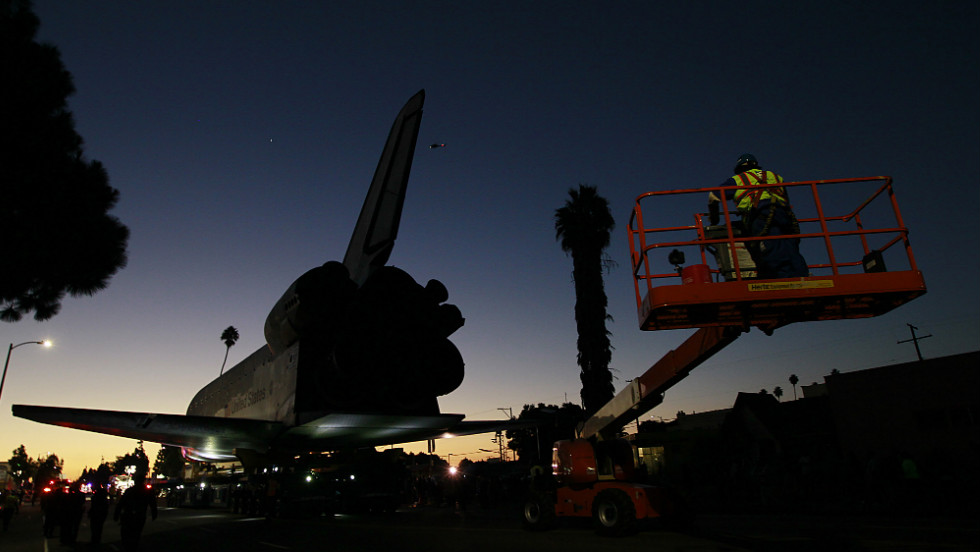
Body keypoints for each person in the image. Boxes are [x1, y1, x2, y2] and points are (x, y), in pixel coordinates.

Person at [709, 153, 808, 278]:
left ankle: (781, 280)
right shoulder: (775, 176)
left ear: (740, 168)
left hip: (761, 216)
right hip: (784, 215)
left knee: (770, 249)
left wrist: (714, 218)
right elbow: (785, 199)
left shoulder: (738, 179)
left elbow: (714, 196)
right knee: (790, 249)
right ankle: (802, 278)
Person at [114, 475, 157, 552]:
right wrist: (154, 514)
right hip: (139, 516)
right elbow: (153, 503)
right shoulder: (147, 491)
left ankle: (128, 548)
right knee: (136, 535)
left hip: (129, 516)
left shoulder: (130, 491)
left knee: (126, 535)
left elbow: (121, 503)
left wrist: (116, 514)